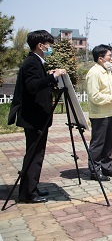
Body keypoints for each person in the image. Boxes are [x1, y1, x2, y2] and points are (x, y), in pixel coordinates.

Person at [8, 30, 66, 203]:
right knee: (34, 155)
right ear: (40, 46)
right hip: (33, 118)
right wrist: (53, 77)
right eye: (49, 45)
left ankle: (32, 187)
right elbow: (33, 86)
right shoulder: (32, 63)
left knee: (37, 154)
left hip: (38, 118)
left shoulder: (36, 62)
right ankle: (27, 193)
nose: (51, 48)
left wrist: (49, 76)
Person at [86, 44, 112, 181]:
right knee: (98, 143)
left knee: (108, 142)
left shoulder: (106, 72)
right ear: (100, 58)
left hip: (110, 112)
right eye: (109, 56)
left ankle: (107, 167)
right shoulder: (94, 73)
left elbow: (108, 91)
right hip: (99, 115)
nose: (111, 59)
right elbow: (94, 96)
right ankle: (95, 171)